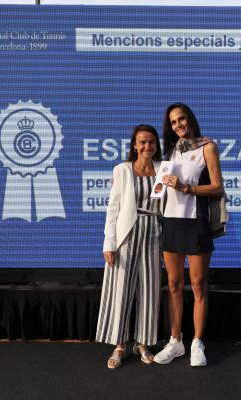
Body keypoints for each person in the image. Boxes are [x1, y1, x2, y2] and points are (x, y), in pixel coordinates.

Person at [154, 103, 224, 367]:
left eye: (181, 119)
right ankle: (176, 341)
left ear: (190, 119)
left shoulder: (208, 147)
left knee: (197, 286)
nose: (178, 125)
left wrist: (187, 188)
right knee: (172, 285)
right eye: (173, 122)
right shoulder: (170, 151)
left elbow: (217, 187)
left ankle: (197, 342)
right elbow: (156, 182)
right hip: (170, 223)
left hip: (196, 223)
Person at [96, 124, 163, 369]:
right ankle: (120, 344)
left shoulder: (163, 169)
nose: (147, 146)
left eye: (152, 142)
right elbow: (113, 209)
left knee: (150, 291)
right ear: (134, 145)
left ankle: (142, 343)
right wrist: (109, 243)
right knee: (121, 291)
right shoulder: (122, 170)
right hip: (127, 234)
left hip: (154, 233)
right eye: (143, 142)